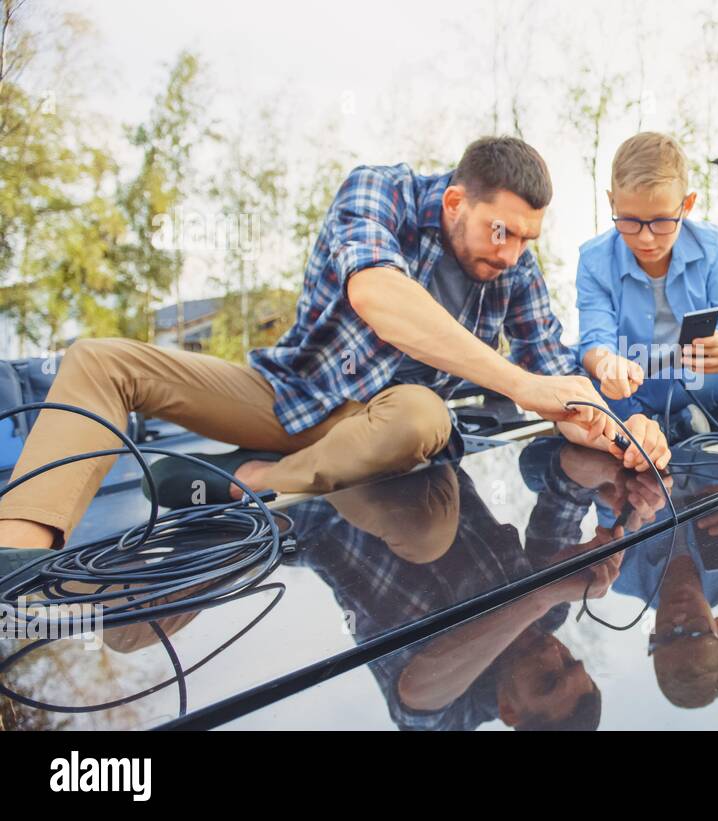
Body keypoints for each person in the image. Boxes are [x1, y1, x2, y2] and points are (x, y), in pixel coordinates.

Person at [0, 137, 669, 575]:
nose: (513, 252)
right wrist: (525, 384)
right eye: (503, 231)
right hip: (289, 392)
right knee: (96, 358)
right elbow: (379, 295)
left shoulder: (513, 269)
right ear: (457, 201)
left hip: (387, 424)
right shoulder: (379, 191)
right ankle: (17, 555)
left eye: (528, 239)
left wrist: (620, 428)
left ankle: (257, 480)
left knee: (423, 415)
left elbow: (555, 374)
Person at [575, 132, 718, 442]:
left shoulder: (710, 247)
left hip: (694, 383)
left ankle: (661, 427)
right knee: (590, 388)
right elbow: (594, 343)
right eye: (629, 221)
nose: (646, 238)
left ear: (686, 205)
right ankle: (666, 425)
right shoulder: (595, 260)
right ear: (612, 202)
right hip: (631, 389)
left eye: (662, 221)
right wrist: (607, 364)